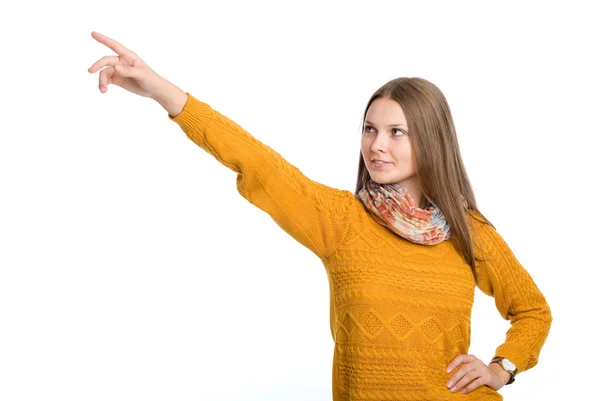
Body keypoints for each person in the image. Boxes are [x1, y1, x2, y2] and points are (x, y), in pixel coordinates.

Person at [88, 31, 552, 400]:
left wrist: (501, 368)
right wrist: (165, 93)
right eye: (370, 129)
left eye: (397, 132)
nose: (377, 145)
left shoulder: (470, 231)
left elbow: (533, 311)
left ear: (432, 140)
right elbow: (261, 164)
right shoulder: (342, 220)